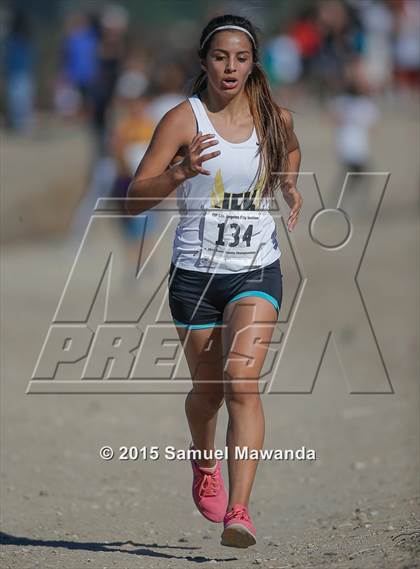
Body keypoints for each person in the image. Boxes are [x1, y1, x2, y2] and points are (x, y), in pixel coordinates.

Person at [127, 14, 302, 548]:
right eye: (221, 57)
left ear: (254, 64)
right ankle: (205, 464)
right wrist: (178, 173)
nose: (230, 67)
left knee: (242, 385)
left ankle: (240, 510)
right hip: (195, 275)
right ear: (204, 62)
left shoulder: (275, 116)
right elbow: (134, 196)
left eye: (241, 58)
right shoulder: (183, 120)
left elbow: (290, 149)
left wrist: (289, 185)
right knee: (208, 395)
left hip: (255, 269)